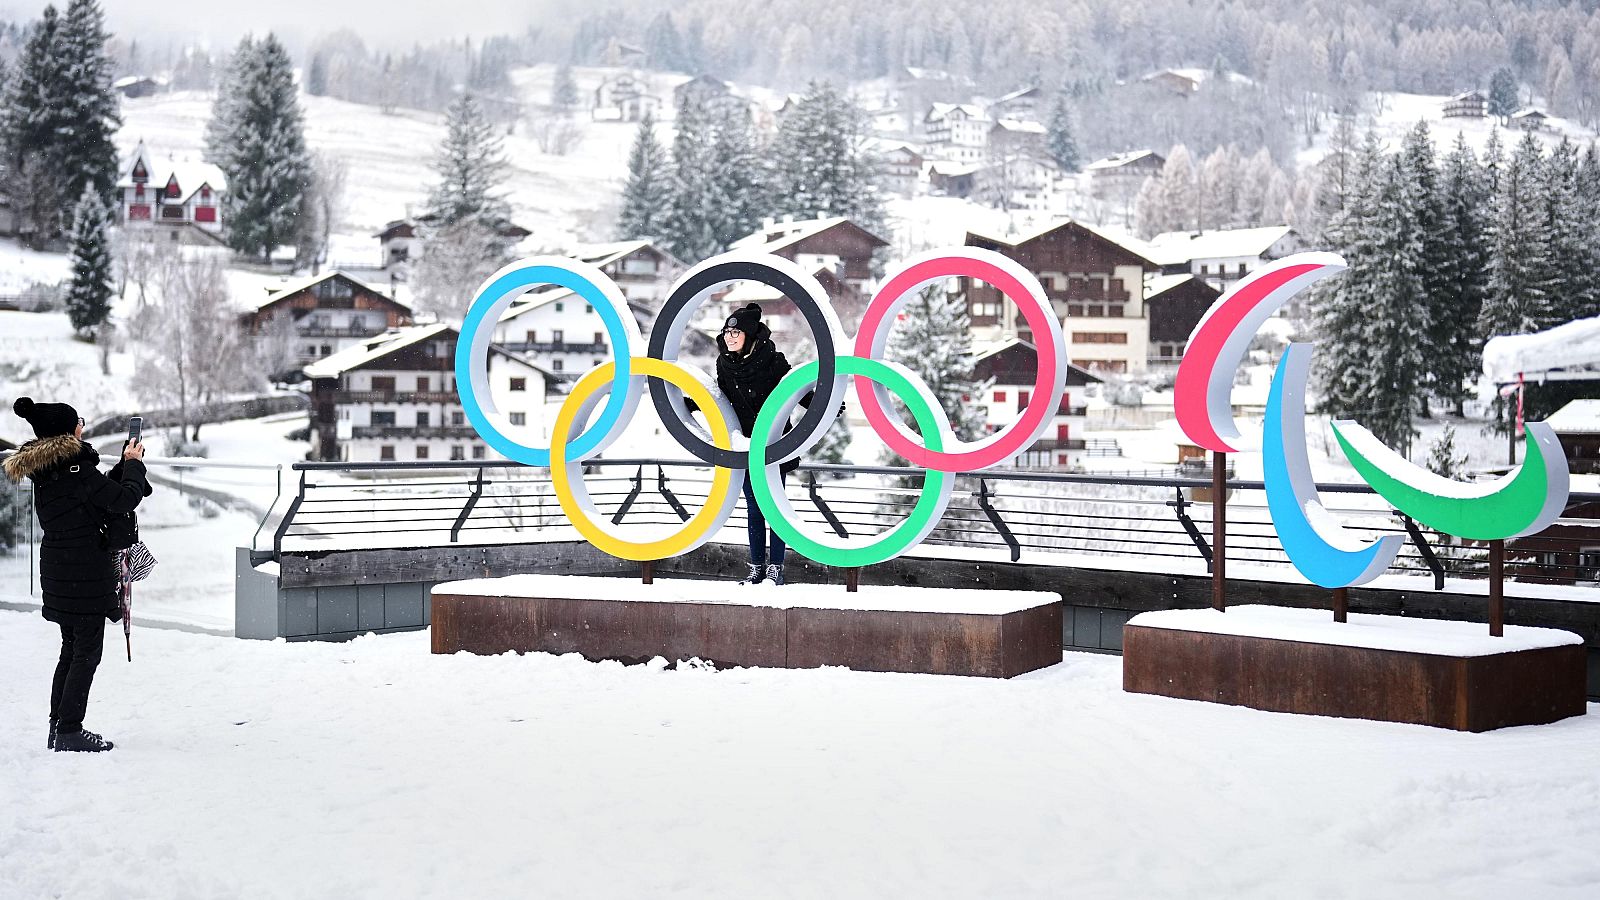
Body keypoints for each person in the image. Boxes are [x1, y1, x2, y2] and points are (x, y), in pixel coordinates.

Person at [4, 397, 150, 753]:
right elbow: (124, 499)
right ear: (69, 430)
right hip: (83, 574)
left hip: (60, 571)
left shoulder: (50, 470)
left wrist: (122, 467)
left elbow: (97, 496)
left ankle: (58, 726)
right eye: (78, 422)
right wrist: (133, 465)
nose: (82, 426)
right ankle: (69, 729)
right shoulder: (78, 471)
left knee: (70, 650)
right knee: (86, 653)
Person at [713, 304, 801, 586]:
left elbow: (793, 389)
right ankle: (757, 568)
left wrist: (819, 404)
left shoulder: (773, 360)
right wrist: (690, 405)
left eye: (736, 331)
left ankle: (776, 567)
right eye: (727, 331)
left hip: (773, 445)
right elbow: (720, 395)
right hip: (744, 445)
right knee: (753, 506)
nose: (730, 336)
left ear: (749, 334)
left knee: (774, 506)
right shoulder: (724, 364)